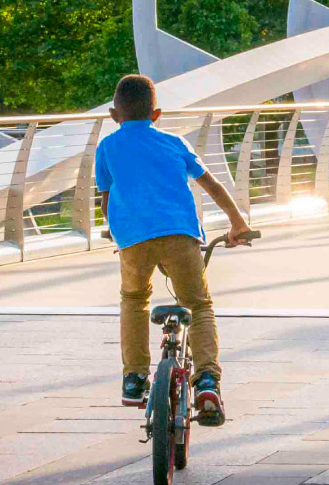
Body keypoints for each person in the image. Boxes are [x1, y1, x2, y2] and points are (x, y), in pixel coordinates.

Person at [94, 73, 252, 425]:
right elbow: (209, 183)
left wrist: (119, 231)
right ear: (157, 114)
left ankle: (134, 378)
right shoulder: (175, 142)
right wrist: (237, 224)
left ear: (113, 114)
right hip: (180, 236)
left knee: (134, 299)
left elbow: (106, 202)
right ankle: (207, 380)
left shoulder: (107, 147)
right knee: (197, 304)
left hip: (133, 239)